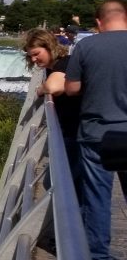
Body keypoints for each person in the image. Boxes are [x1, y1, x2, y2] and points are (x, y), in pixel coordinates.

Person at [65, 0, 127, 260]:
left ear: (99, 22)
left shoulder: (86, 46)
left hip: (96, 134)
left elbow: (72, 88)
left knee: (97, 199)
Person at [23, 28, 82, 194]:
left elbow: (52, 86)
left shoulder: (65, 63)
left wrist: (41, 90)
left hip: (78, 135)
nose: (33, 59)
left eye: (36, 53)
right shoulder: (53, 67)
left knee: (58, 184)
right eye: (30, 56)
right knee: (71, 187)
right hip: (70, 133)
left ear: (49, 47)